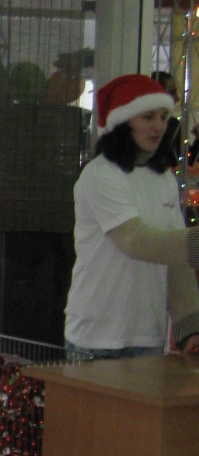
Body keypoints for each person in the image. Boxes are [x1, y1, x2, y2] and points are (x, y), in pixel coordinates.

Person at [64, 73, 199, 364]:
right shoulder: (99, 176)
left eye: (163, 117)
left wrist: (189, 327)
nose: (158, 126)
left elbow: (176, 260)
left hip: (148, 336)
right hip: (96, 338)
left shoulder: (163, 178)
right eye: (148, 116)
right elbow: (135, 240)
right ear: (123, 122)